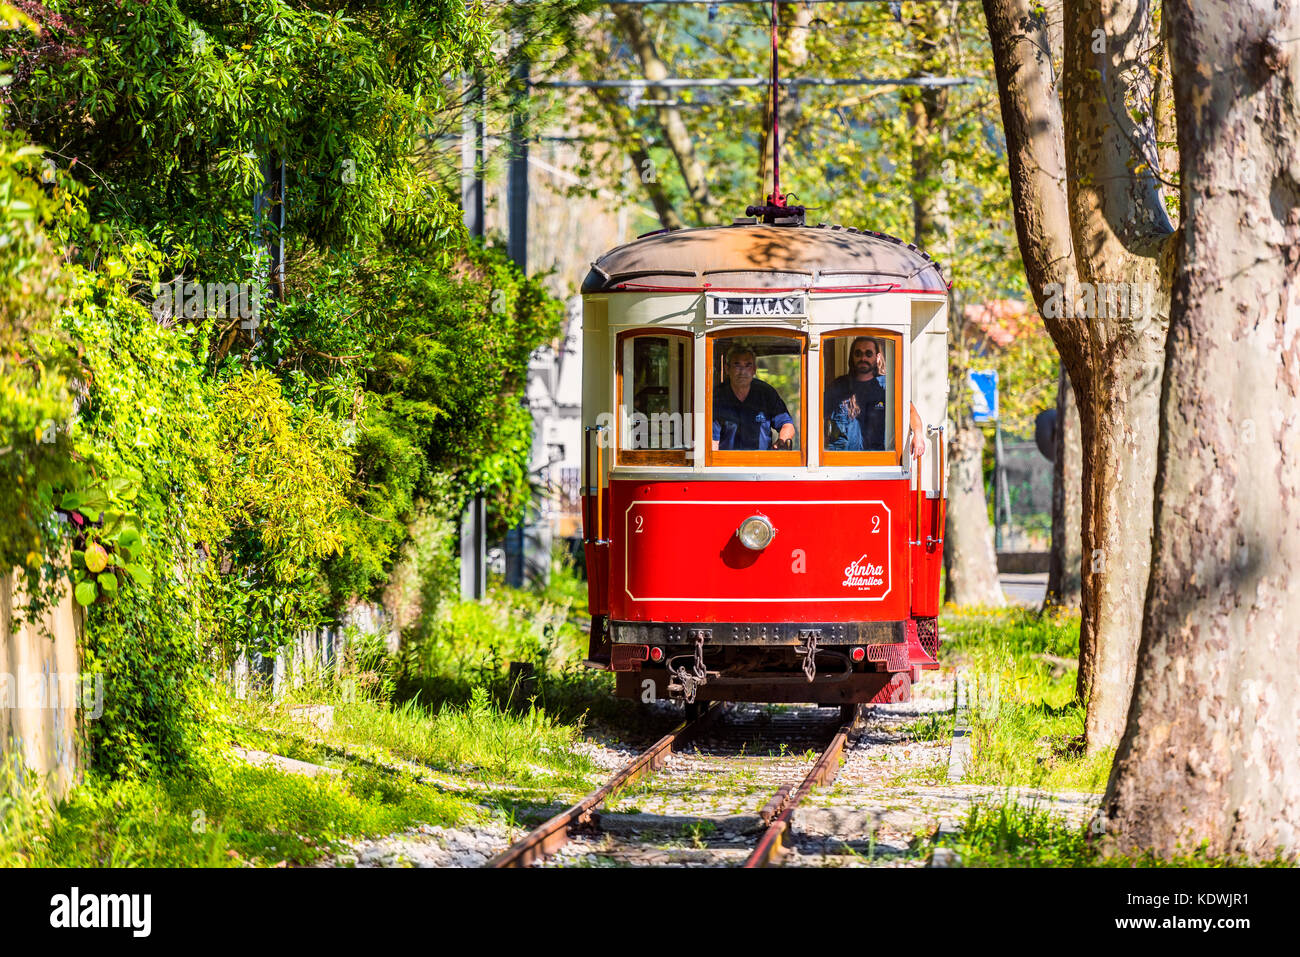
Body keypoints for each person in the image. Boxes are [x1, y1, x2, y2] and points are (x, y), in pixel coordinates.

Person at [824, 335, 926, 458]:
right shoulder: (839, 386)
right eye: (858, 353)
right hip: (842, 461)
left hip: (879, 461)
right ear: (852, 356)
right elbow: (818, 417)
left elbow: (910, 411)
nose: (863, 358)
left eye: (868, 353)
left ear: (877, 357)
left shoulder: (887, 386)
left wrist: (918, 434)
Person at [712, 348, 797, 451]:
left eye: (748, 365)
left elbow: (787, 425)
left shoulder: (766, 393)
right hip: (726, 463)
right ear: (727, 369)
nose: (742, 371)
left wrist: (782, 442)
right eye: (737, 365)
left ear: (754, 370)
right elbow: (713, 442)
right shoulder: (716, 397)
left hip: (762, 463)